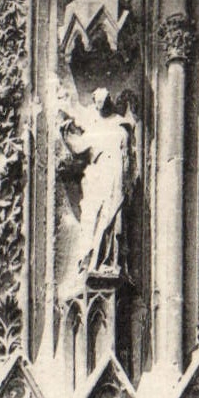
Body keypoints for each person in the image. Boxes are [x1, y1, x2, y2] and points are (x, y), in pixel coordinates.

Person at [58, 86, 134, 283]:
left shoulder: (120, 126)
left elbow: (127, 158)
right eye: (98, 102)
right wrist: (65, 134)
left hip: (115, 176)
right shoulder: (94, 129)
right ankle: (94, 262)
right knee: (96, 218)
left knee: (114, 220)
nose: (101, 105)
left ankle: (111, 262)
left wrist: (127, 181)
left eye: (104, 101)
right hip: (98, 178)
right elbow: (78, 147)